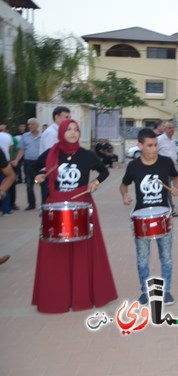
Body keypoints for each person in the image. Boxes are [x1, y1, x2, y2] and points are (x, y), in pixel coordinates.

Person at [32, 119, 118, 313]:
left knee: (82, 251)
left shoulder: (86, 155)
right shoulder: (51, 154)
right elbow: (33, 168)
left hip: (81, 203)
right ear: (61, 132)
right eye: (69, 129)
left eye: (76, 129)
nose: (72, 132)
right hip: (55, 204)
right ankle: (57, 297)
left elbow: (104, 171)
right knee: (56, 254)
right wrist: (38, 178)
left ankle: (81, 296)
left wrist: (95, 182)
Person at [120, 128, 178, 305]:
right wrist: (125, 195)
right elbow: (123, 185)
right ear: (140, 145)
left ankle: (166, 291)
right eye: (150, 145)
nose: (154, 149)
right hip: (141, 216)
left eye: (155, 145)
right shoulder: (134, 166)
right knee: (142, 258)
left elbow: (176, 178)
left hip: (163, 215)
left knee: (166, 257)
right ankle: (145, 292)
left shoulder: (166, 162)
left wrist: (177, 187)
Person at [39, 106, 71, 203]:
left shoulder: (60, 132)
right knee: (50, 202)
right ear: (57, 117)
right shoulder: (52, 133)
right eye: (66, 117)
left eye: (70, 117)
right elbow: (51, 156)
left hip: (57, 172)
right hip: (51, 173)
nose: (69, 120)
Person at [15, 118, 40, 210]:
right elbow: (21, 150)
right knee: (29, 184)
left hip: (39, 163)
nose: (30, 126)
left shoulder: (43, 136)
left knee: (42, 183)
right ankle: (31, 204)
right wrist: (17, 160)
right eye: (29, 124)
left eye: (32, 124)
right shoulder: (25, 136)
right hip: (28, 162)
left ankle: (44, 203)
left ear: (37, 125)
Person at [158, 122, 178, 217]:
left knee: (169, 188)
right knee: (167, 189)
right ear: (165, 129)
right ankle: (170, 209)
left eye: (172, 127)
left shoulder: (173, 140)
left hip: (172, 168)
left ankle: (167, 207)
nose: (171, 129)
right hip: (163, 168)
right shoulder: (160, 139)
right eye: (169, 128)